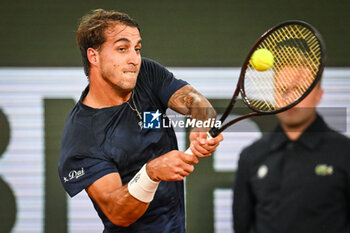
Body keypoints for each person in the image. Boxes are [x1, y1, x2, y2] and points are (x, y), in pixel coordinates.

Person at [58, 9, 223, 233]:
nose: (134, 59)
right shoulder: (81, 136)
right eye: (122, 48)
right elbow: (118, 213)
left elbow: (196, 101)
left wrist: (200, 125)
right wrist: (151, 173)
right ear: (93, 56)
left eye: (137, 49)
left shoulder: (146, 73)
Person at [232, 67, 350, 233]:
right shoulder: (251, 155)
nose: (291, 98)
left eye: (300, 89)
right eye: (283, 90)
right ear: (273, 94)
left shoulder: (344, 152)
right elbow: (241, 225)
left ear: (319, 95)